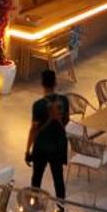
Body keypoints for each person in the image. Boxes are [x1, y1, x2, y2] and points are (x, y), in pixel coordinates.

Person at [25, 67, 69, 201]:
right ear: (55, 83)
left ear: (42, 84)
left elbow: (34, 129)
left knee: (37, 177)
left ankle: (34, 202)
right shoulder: (64, 101)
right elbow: (66, 120)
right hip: (58, 145)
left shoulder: (38, 105)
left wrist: (27, 150)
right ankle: (61, 210)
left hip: (41, 146)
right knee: (58, 180)